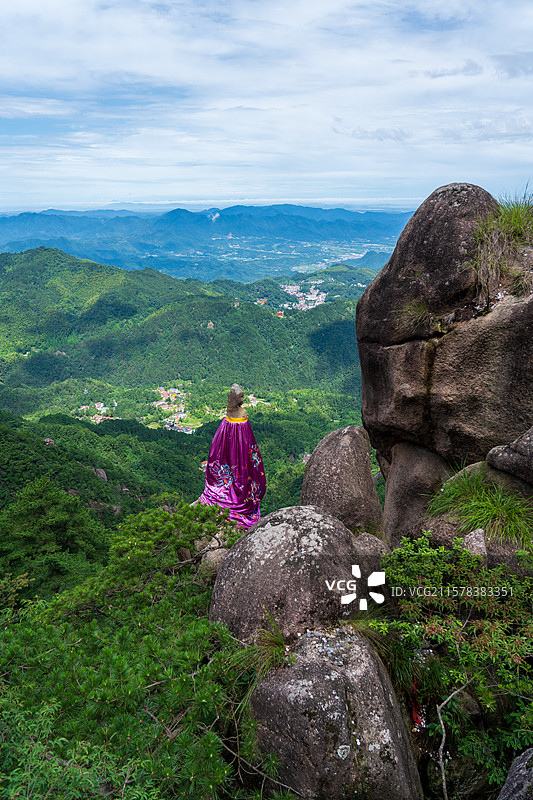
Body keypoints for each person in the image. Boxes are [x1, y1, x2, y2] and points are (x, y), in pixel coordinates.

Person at [197, 384, 266, 529]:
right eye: (240, 396)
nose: (243, 398)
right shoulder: (238, 414)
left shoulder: (236, 414)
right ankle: (236, 496)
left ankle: (231, 493)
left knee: (231, 466)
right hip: (238, 441)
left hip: (231, 439)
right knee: (240, 468)